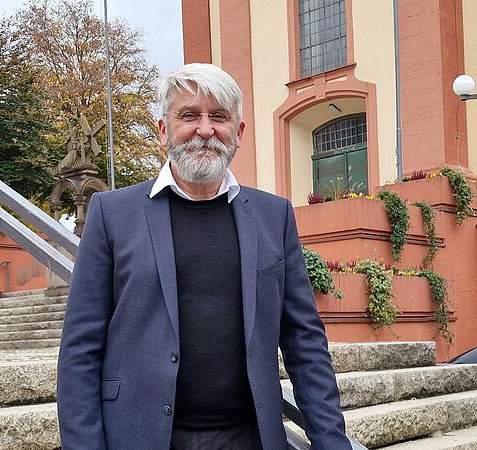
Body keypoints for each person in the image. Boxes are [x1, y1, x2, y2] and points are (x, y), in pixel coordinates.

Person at [56, 63, 351, 450]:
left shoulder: (273, 216)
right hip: (141, 437)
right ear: (164, 129)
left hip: (249, 439)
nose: (206, 129)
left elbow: (304, 342)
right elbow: (80, 349)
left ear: (238, 132)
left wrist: (332, 442)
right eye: (189, 115)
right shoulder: (112, 214)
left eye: (219, 117)